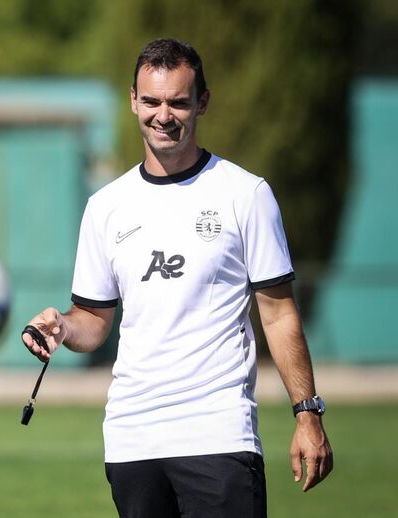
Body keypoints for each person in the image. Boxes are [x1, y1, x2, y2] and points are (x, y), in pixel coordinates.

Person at [22, 38, 333, 518]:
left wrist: (307, 413)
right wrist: (62, 327)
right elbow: (94, 319)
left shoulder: (245, 194)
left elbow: (278, 313)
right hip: (132, 440)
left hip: (218, 435)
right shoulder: (105, 206)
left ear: (202, 103)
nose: (162, 115)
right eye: (151, 101)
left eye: (178, 102)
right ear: (133, 100)